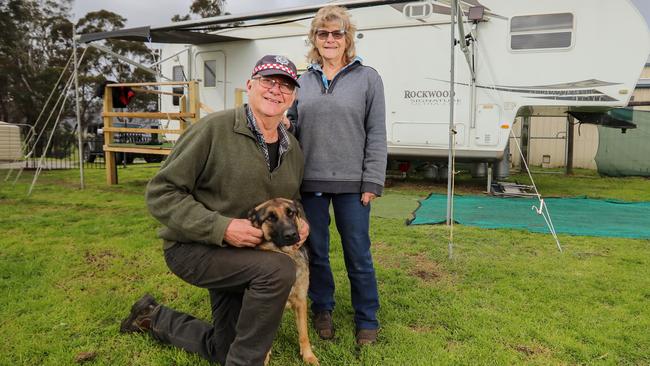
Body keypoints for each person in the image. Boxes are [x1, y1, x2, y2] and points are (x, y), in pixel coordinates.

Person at [119, 55, 308, 366]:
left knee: (224, 348)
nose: (277, 89)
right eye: (268, 81)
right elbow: (160, 193)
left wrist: (303, 224)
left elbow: (292, 201)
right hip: (195, 247)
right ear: (249, 86)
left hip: (247, 257)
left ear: (293, 96)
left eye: (286, 85)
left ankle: (152, 317)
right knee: (279, 269)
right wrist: (221, 228)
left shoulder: (294, 149)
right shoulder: (212, 130)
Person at [286, 5, 387, 346]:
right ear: (314, 39)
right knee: (316, 251)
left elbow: (376, 133)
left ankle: (367, 318)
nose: (330, 39)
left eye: (337, 33)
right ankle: (322, 308)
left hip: (353, 185)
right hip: (310, 181)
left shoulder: (368, 78)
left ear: (348, 38)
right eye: (323, 33)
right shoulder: (302, 81)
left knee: (357, 252)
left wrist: (372, 180)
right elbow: (294, 127)